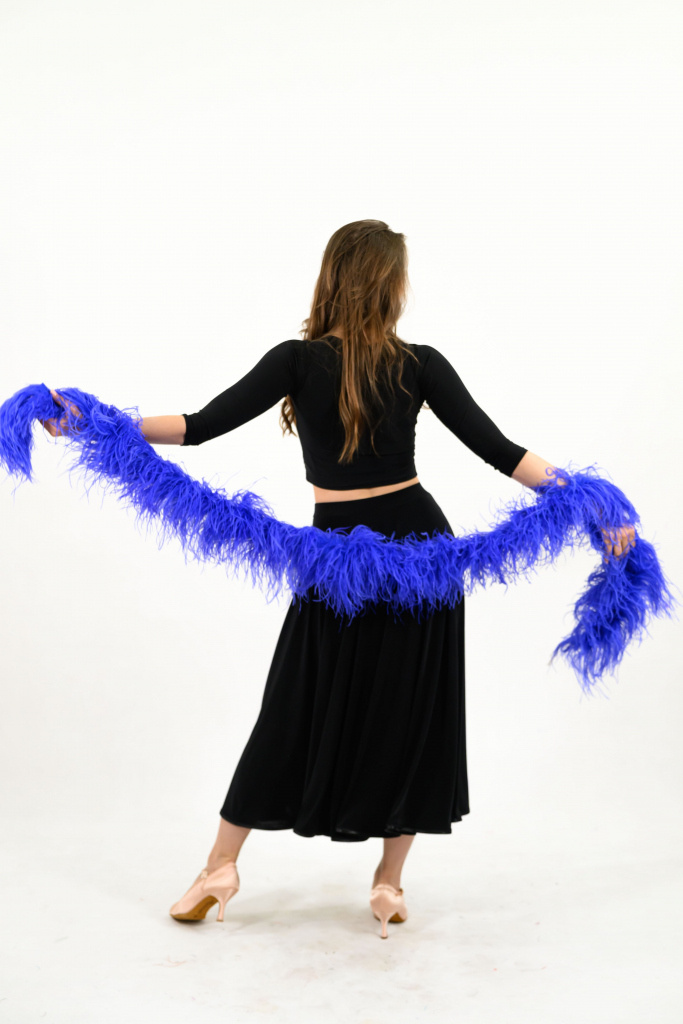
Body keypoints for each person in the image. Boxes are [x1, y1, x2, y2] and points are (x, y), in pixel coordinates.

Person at [41, 219, 635, 939]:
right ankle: (387, 883)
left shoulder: (298, 360)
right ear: (391, 286)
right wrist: (596, 501)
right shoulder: (417, 363)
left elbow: (197, 426)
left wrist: (97, 424)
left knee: (299, 703)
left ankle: (223, 867)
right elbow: (506, 454)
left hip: (368, 559)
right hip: (412, 548)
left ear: (331, 278)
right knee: (407, 711)